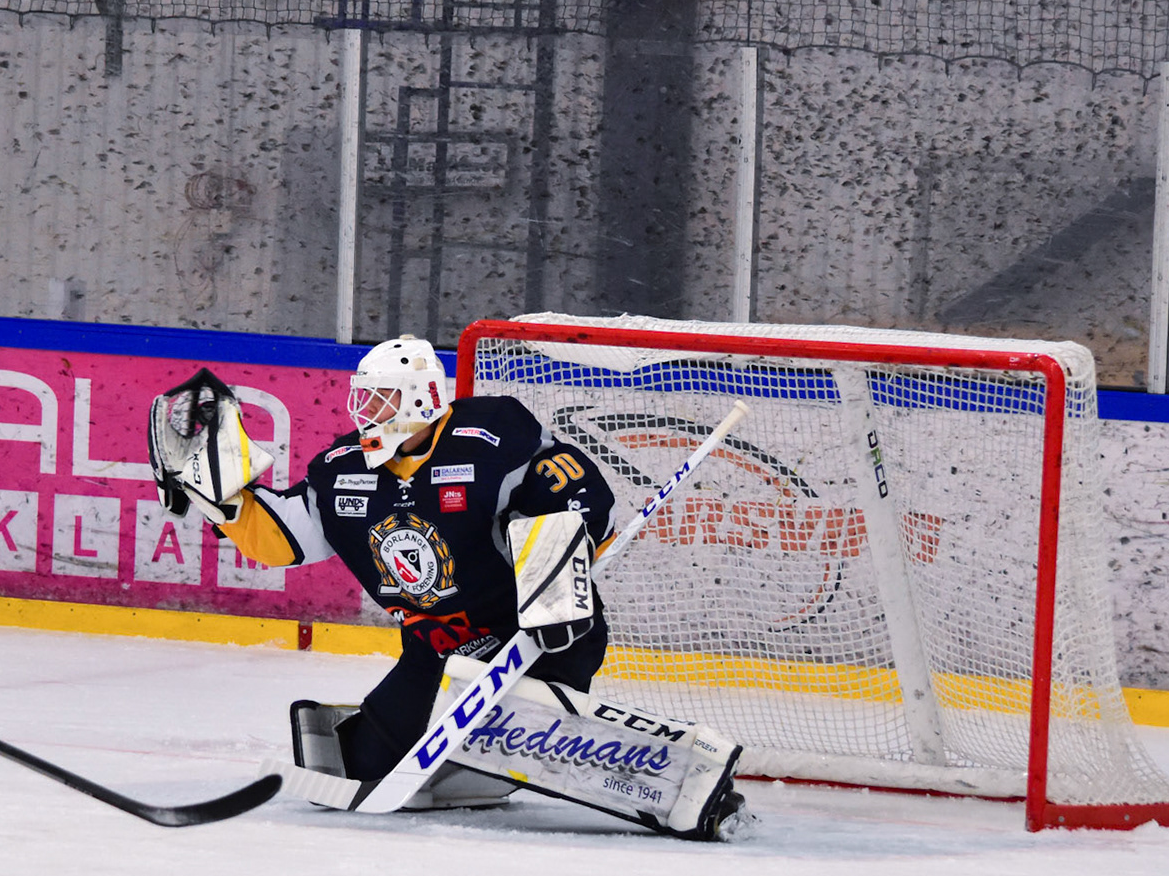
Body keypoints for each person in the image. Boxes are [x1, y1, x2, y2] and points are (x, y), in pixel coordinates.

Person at [147, 338, 744, 837]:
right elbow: (286, 539)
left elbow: (583, 495)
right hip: (436, 653)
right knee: (357, 767)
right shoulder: (342, 469)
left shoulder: (493, 440)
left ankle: (682, 786)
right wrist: (222, 501)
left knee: (537, 742)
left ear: (421, 400)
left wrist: (558, 580)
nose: (365, 410)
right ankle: (472, 768)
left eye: (381, 398)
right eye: (363, 397)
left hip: (535, 642)